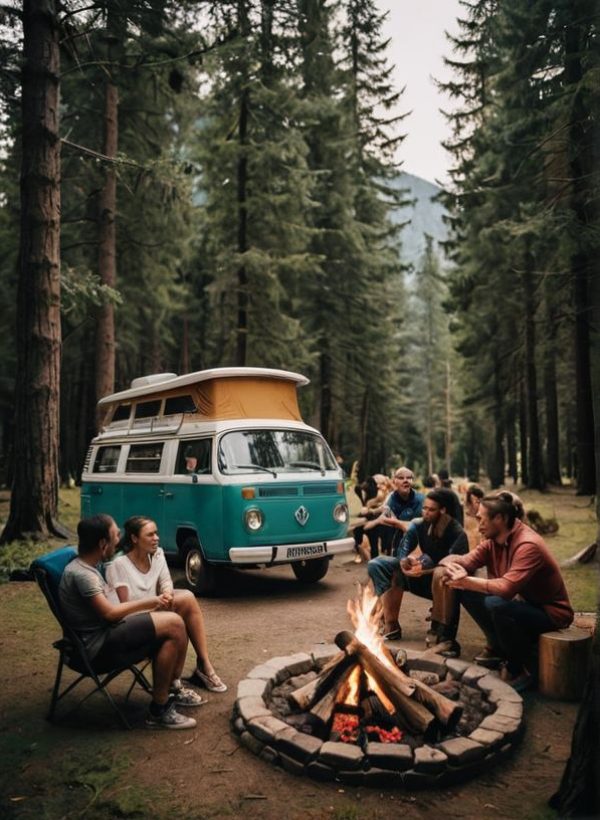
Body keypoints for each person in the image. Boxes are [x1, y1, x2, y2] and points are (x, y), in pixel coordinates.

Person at [59, 515, 199, 729]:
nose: (119, 540)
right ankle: (160, 709)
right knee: (174, 623)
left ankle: (165, 698)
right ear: (102, 543)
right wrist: (151, 602)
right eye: (115, 535)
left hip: (109, 635)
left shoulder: (90, 567)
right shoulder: (83, 575)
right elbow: (110, 614)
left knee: (172, 627)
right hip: (97, 647)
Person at [437, 491, 574, 691]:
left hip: (550, 614)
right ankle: (497, 646)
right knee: (464, 590)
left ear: (500, 519)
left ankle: (519, 668)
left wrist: (467, 580)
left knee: (495, 602)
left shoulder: (528, 545)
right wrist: (444, 563)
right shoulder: (492, 542)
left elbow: (507, 588)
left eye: (481, 519)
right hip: (522, 605)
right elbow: (467, 561)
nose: (478, 525)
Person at [106, 516, 227, 694]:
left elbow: (166, 582)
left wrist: (168, 595)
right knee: (176, 621)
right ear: (134, 538)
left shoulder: (157, 554)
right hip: (131, 623)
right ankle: (174, 684)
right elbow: (125, 608)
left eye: (156, 533)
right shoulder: (119, 565)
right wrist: (156, 605)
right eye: (150, 535)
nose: (156, 538)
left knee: (186, 597)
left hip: (154, 610)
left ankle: (203, 664)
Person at [367, 489, 468, 648]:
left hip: (446, 584)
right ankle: (391, 624)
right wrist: (406, 561)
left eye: (431, 509)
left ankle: (443, 634)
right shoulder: (418, 524)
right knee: (379, 564)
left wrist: (424, 569)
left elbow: (453, 568)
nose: (426, 513)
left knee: (443, 575)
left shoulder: (458, 533)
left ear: (443, 510)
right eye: (424, 508)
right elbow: (403, 552)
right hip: (421, 577)